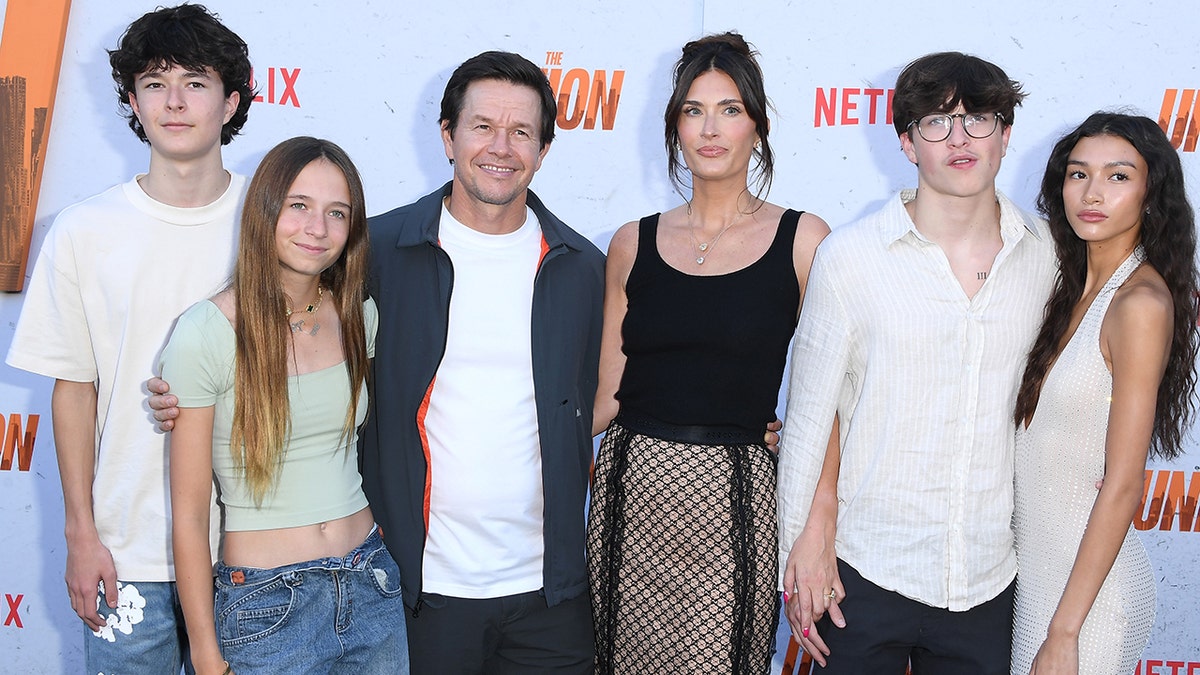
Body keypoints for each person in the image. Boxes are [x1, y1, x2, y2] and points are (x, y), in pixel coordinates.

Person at [776, 52, 1057, 674]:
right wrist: (804, 545)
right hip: (864, 568)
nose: (959, 138)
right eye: (936, 121)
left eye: (978, 118)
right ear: (906, 143)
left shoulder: (1047, 257)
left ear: (1006, 134)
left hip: (989, 577)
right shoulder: (850, 258)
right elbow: (813, 413)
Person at [4, 5, 251, 672]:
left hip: (251, 555)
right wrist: (80, 534)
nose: (175, 102)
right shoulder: (83, 231)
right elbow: (74, 390)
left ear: (231, 101)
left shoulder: (273, 224)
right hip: (125, 557)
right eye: (154, 83)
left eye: (195, 82)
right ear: (133, 103)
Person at [586, 33, 829, 674]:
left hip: (733, 499)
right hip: (630, 492)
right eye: (694, 111)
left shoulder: (803, 240)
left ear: (759, 127)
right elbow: (605, 397)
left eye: (730, 110)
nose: (710, 129)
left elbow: (836, 389)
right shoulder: (631, 243)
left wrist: (800, 448)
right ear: (675, 128)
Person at [358, 51, 604, 672]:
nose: (501, 147)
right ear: (448, 137)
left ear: (543, 150)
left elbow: (620, 387)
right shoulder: (377, 251)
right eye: (483, 127)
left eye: (521, 131)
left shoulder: (581, 268)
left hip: (550, 598)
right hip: (416, 591)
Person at [160, 137, 408, 675]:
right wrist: (205, 655)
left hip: (371, 583)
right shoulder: (207, 332)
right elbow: (190, 515)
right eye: (299, 205)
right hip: (268, 605)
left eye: (336, 212)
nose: (317, 228)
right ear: (265, 209)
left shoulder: (358, 314)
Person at [1009, 113, 1197, 675]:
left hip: (1087, 606)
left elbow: (1124, 483)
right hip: (1038, 580)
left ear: (1151, 194)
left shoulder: (1139, 304)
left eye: (1118, 176)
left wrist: (1064, 633)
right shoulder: (1067, 289)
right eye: (1078, 174)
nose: (1092, 193)